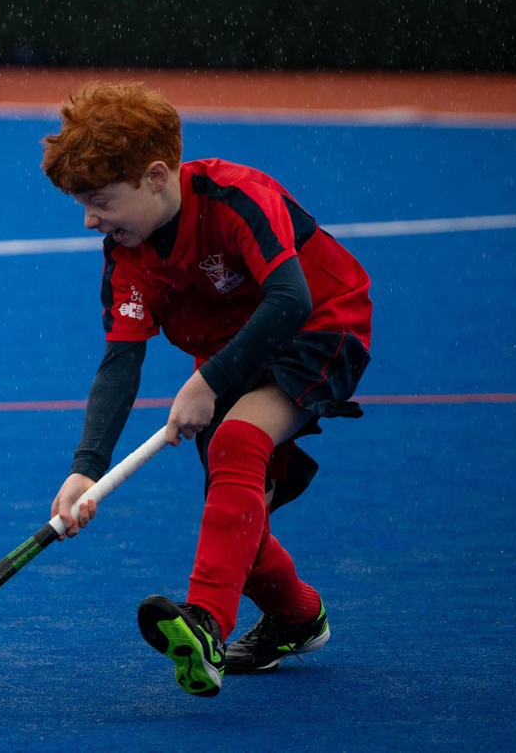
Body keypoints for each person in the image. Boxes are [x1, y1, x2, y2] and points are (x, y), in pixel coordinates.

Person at [41, 82, 373, 697]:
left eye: (100, 201)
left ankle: (206, 627)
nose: (90, 221)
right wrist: (86, 468)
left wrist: (209, 379)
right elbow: (120, 363)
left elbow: (291, 298)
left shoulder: (235, 197)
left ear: (157, 176)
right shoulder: (126, 255)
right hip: (232, 358)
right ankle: (298, 617)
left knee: (238, 445)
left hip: (321, 325)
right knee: (241, 513)